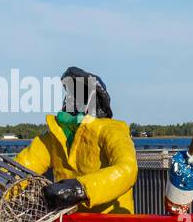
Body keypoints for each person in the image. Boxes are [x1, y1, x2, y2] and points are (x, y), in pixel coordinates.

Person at [15, 67, 138, 214]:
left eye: (82, 93)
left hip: (113, 221)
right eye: (72, 92)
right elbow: (22, 167)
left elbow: (127, 169)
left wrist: (80, 188)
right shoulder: (56, 136)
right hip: (69, 221)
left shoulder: (110, 130)